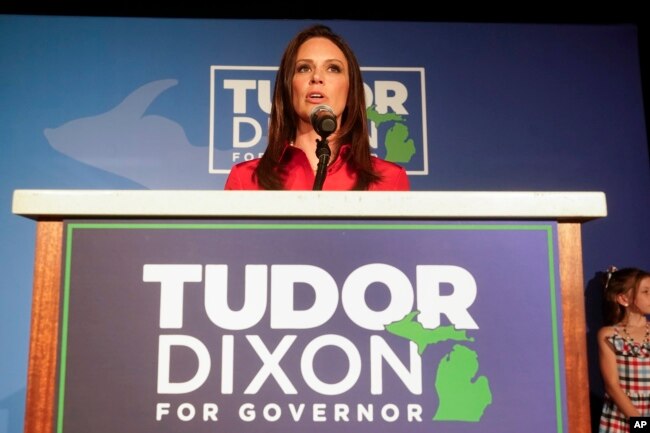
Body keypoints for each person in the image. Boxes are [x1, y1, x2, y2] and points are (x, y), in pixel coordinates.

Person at [224, 24, 410, 191]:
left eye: (333, 68)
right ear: (288, 87)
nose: (317, 77)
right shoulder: (246, 180)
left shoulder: (390, 180)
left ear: (350, 89)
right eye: (304, 68)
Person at [598, 266, 650, 432]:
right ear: (623, 299)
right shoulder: (609, 335)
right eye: (646, 292)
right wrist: (640, 423)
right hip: (623, 415)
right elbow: (612, 385)